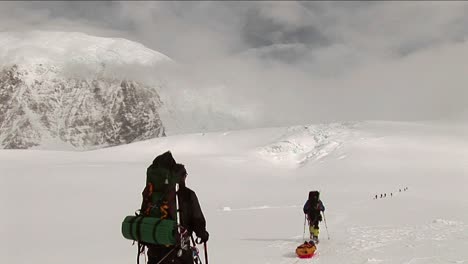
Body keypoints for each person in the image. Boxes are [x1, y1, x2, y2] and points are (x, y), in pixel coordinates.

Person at [147, 163, 209, 264]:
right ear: (181, 177)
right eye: (185, 176)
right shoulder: (188, 195)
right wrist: (202, 234)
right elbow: (197, 219)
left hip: (155, 248)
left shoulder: (154, 195)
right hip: (179, 250)